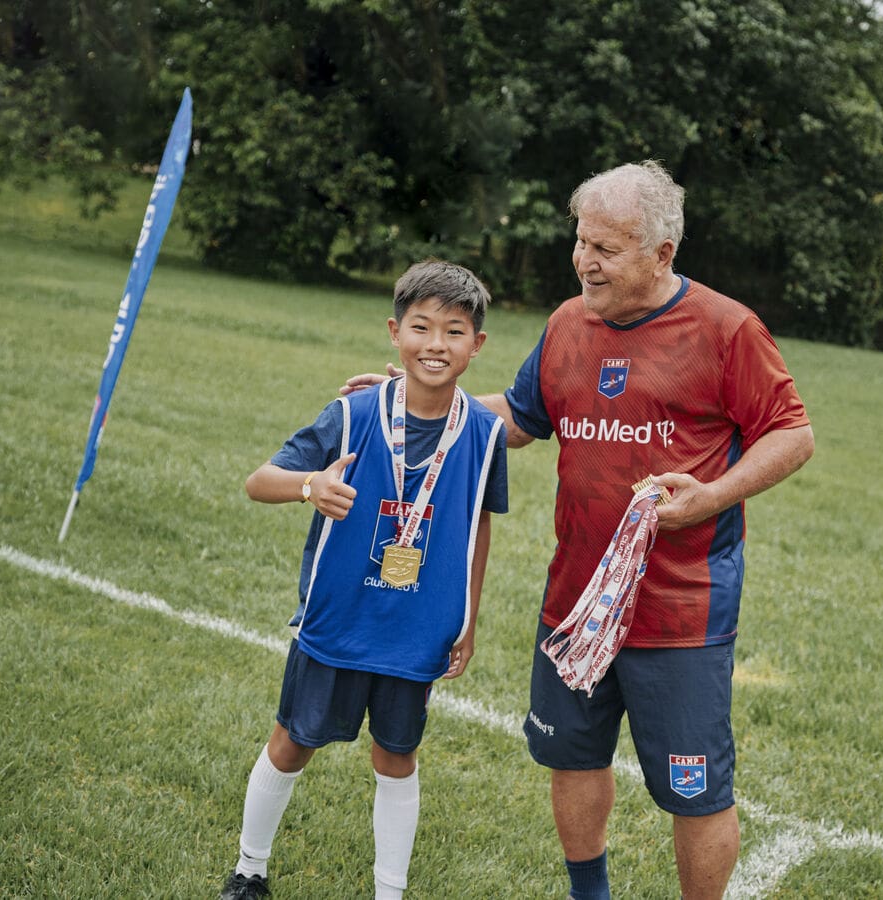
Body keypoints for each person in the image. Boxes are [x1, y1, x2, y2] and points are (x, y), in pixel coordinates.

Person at [345, 161, 813, 899]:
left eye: (606, 248)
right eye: (580, 241)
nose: (583, 261)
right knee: (574, 757)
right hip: (574, 602)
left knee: (694, 791)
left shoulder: (726, 329)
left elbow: (792, 433)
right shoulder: (569, 323)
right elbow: (522, 421)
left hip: (679, 613)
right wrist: (413, 396)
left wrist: (712, 495)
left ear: (662, 254)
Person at [220, 260, 507, 900]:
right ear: (394, 332)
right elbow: (256, 481)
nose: (436, 344)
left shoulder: (485, 435)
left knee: (395, 758)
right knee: (293, 742)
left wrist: (468, 618)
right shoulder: (353, 413)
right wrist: (309, 485)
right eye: (422, 327)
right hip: (339, 616)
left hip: (417, 628)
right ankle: (248, 870)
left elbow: (476, 529)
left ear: (477, 345)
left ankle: (389, 891)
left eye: (454, 331)